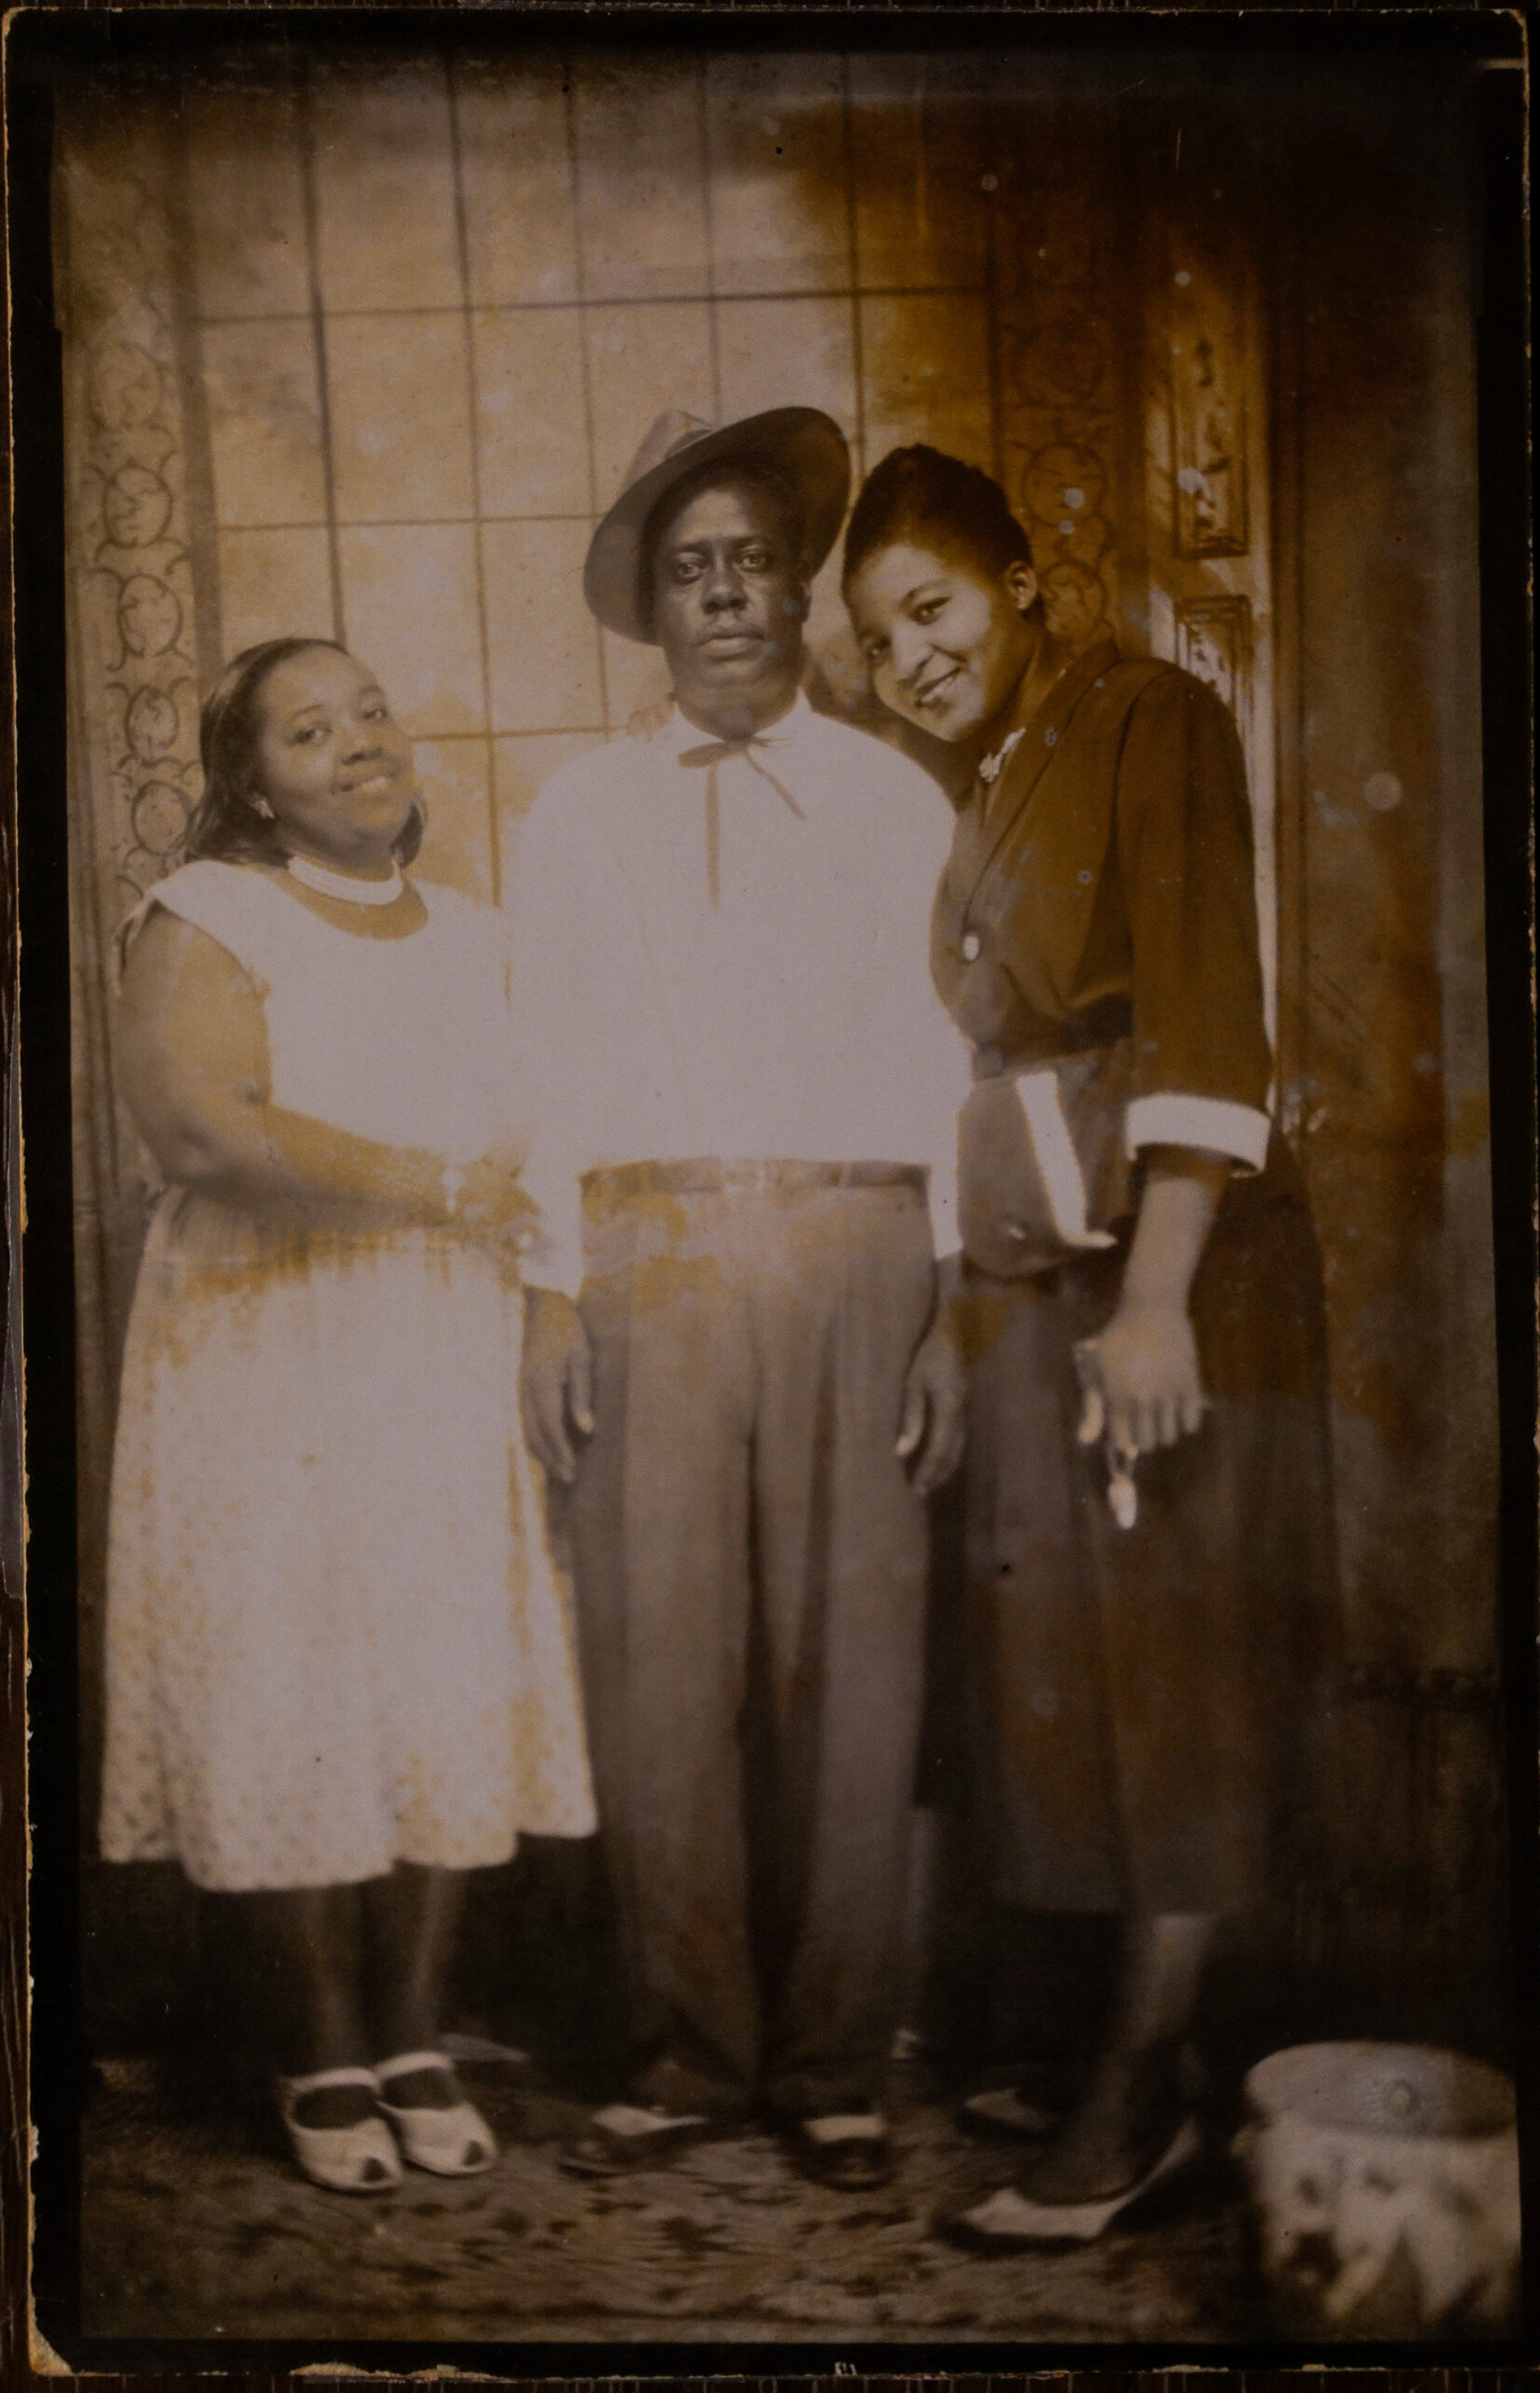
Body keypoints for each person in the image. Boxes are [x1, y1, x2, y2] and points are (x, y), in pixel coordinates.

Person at [842, 446, 1335, 2247]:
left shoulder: (1154, 719)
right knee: (1084, 1682)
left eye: (936, 608)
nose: (912, 656)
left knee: (1176, 1691)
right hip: (1047, 1276)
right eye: (883, 636)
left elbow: (1207, 1009)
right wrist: (968, 1316)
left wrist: (1157, 1302)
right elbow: (986, 1083)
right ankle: (1123, 2053)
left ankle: (1142, 2106)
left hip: (1166, 1278)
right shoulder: (976, 778)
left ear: (1023, 580)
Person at [506, 408, 975, 2191]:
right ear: (654, 602)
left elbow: (952, 1067)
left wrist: (949, 1308)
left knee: (851, 1669)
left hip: (860, 1246)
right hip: (658, 1254)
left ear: (798, 589)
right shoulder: (578, 811)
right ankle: (690, 2050)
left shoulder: (893, 792)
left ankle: (840, 2060)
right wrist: (554, 1300)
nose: (724, 595)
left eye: (752, 562)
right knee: (663, 1659)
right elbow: (541, 1062)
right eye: (690, 568)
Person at [100, 638, 595, 2194]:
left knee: (440, 1678)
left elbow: (553, 1139)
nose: (360, 742)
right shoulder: (206, 916)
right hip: (270, 1342)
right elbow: (204, 1127)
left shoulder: (480, 932)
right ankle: (317, 2046)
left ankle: (412, 2032)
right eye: (310, 731)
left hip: (443, 1343)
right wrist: (438, 1186)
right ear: (254, 787)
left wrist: (551, 1302)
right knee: (288, 1685)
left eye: (371, 710)